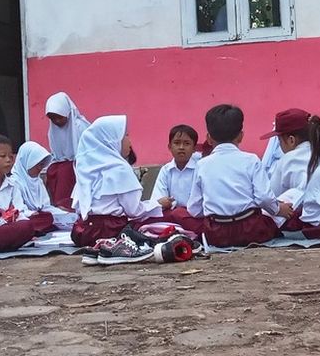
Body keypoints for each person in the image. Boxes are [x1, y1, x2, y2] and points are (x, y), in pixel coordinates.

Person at [188, 104, 282, 247]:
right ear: (241, 135)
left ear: (209, 138)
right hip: (251, 230)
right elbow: (264, 198)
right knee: (271, 222)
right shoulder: (251, 160)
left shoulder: (202, 164)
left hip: (217, 234)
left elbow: (194, 208)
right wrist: (278, 209)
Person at [70, 116, 163, 246]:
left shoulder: (86, 168)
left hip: (82, 231)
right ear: (112, 140)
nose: (129, 141)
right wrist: (158, 204)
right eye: (126, 135)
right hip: (111, 230)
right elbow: (134, 211)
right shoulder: (119, 168)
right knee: (153, 222)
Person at [260, 108, 314, 229]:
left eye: (279, 141)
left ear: (291, 140)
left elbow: (272, 195)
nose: (279, 145)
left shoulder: (286, 160)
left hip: (303, 217)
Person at [10, 140, 78, 231]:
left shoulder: (38, 181)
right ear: (26, 162)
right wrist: (32, 214)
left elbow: (46, 207)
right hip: (26, 219)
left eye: (42, 165)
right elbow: (19, 211)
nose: (40, 168)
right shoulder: (14, 182)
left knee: (56, 216)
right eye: (37, 165)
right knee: (29, 222)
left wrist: (63, 213)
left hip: (41, 217)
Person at [43, 92, 91, 209]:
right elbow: (56, 154)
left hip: (81, 165)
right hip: (63, 165)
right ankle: (58, 207)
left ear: (67, 112)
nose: (57, 121)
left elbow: (89, 153)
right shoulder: (53, 131)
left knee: (65, 171)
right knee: (53, 170)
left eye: (59, 117)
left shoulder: (80, 127)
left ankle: (68, 207)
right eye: (52, 118)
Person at [151, 124, 203, 233]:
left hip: (194, 217)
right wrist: (163, 202)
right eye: (177, 143)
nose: (181, 147)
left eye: (187, 143)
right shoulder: (166, 170)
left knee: (180, 214)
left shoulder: (201, 167)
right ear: (169, 147)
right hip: (173, 216)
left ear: (194, 148)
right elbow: (157, 201)